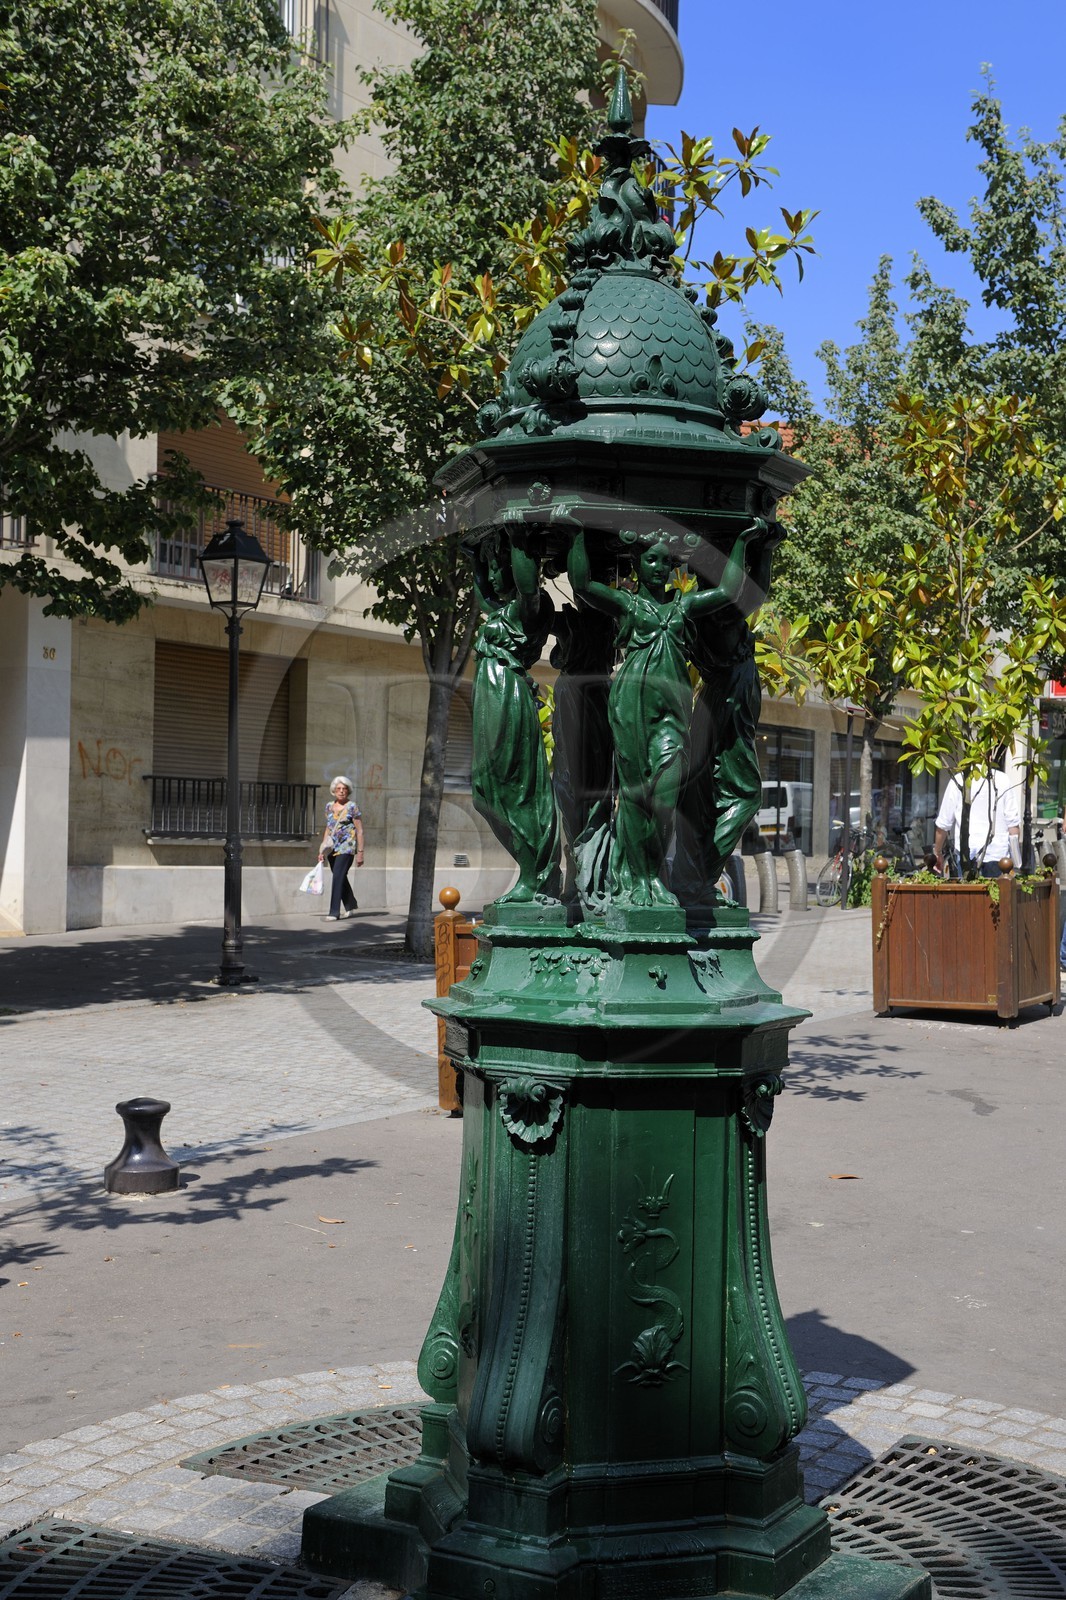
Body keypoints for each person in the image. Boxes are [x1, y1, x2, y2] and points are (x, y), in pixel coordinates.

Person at [934, 764, 1020, 878]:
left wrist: (938, 852)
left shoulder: (959, 779)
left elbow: (944, 824)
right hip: (998, 853)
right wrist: (1016, 859)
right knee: (997, 894)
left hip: (966, 852)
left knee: (967, 894)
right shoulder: (1003, 779)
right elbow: (1013, 825)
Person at [318, 776, 364, 920]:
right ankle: (350, 904)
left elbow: (360, 830)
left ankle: (334, 912)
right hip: (333, 848)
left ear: (348, 791)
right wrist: (322, 850)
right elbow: (328, 828)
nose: (341, 791)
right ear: (334, 791)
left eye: (344, 789)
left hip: (347, 847)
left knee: (337, 876)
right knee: (340, 876)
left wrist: (360, 852)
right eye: (338, 789)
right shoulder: (329, 806)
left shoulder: (352, 807)